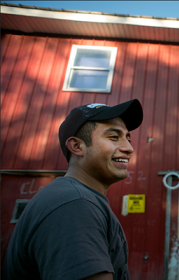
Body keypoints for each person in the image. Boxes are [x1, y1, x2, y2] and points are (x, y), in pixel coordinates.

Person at [3, 99, 143, 280]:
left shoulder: (77, 198)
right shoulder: (74, 205)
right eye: (114, 137)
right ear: (77, 146)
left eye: (128, 138)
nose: (129, 148)